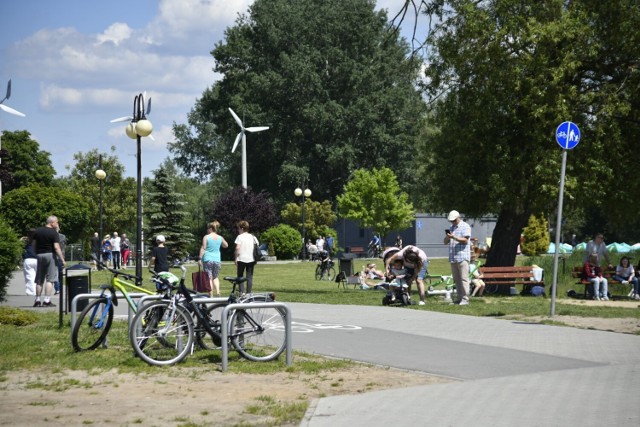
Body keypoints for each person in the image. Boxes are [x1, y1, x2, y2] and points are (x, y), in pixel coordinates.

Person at [32, 215, 66, 307]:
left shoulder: (37, 231)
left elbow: (33, 245)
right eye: (57, 222)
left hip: (39, 255)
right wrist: (62, 259)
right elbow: (56, 247)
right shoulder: (53, 233)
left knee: (39, 279)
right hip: (50, 255)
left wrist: (36, 254)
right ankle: (47, 300)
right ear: (52, 223)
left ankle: (37, 300)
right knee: (50, 278)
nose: (57, 224)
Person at [444, 210, 471, 306]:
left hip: (462, 256)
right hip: (453, 257)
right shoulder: (452, 227)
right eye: (451, 221)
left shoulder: (465, 226)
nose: (452, 222)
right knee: (456, 279)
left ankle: (465, 299)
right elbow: (445, 242)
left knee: (464, 279)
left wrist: (454, 237)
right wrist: (448, 237)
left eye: (454, 220)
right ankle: (459, 298)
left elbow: (465, 240)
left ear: (458, 217)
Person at [199, 220, 228, 297]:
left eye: (208, 228)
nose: (207, 230)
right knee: (215, 277)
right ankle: (218, 292)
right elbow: (226, 245)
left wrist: (199, 258)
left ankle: (210, 294)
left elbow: (204, 248)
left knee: (209, 277)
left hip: (208, 259)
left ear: (211, 228)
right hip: (217, 260)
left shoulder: (206, 237)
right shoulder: (220, 237)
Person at [234, 220, 259, 294]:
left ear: (242, 228)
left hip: (241, 259)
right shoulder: (253, 237)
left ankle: (242, 292)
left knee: (240, 276)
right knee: (249, 277)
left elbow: (237, 248)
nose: (238, 230)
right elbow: (257, 245)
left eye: (238, 228)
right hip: (251, 259)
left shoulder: (240, 237)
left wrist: (235, 258)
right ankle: (249, 293)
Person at [22, 229, 37, 296]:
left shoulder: (26, 241)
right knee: (37, 277)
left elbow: (18, 245)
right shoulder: (38, 240)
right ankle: (37, 291)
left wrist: (22, 238)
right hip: (37, 259)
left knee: (29, 277)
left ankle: (31, 292)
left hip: (28, 259)